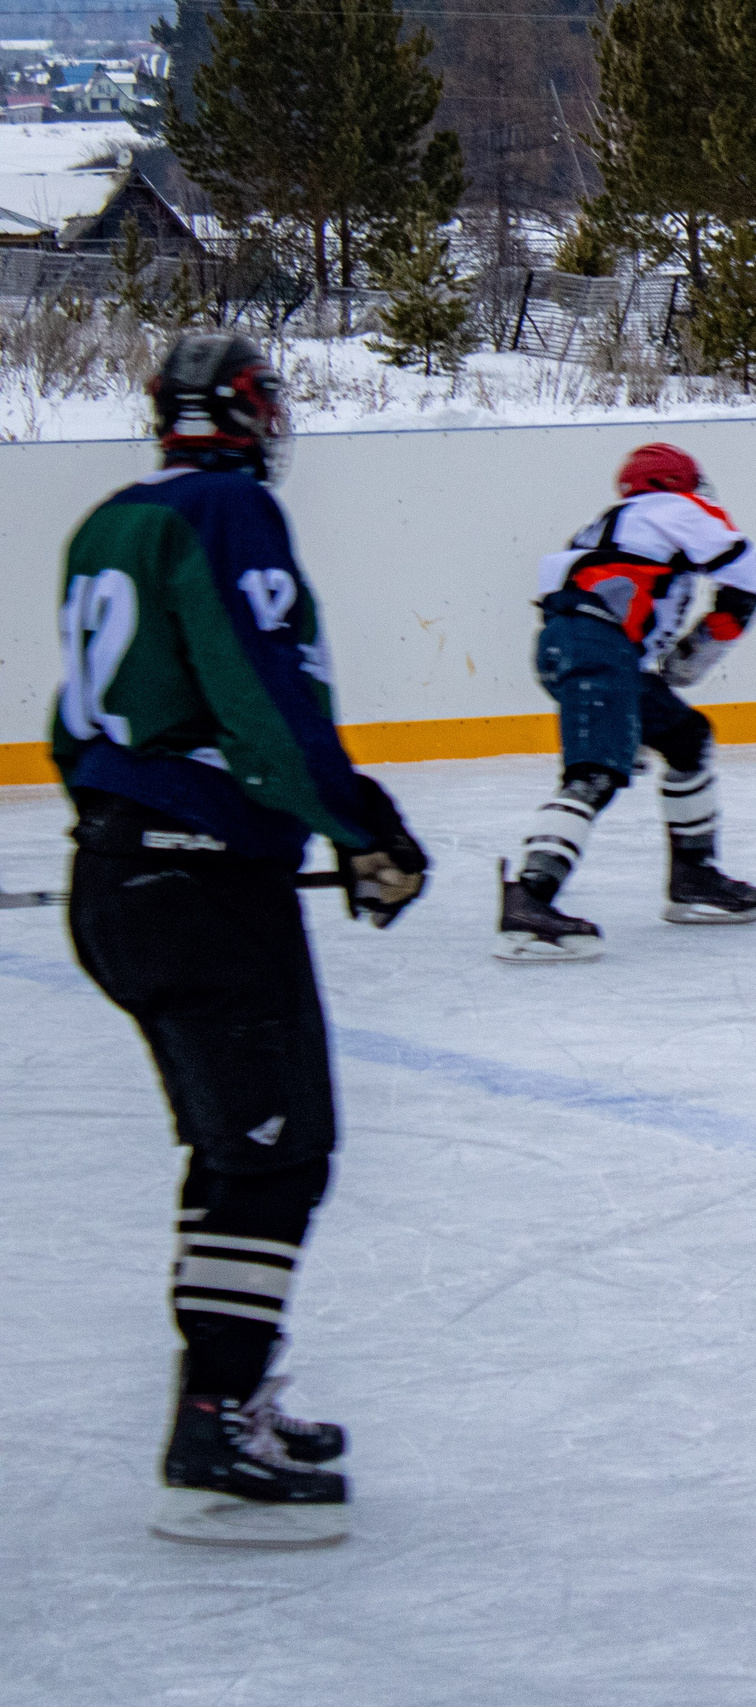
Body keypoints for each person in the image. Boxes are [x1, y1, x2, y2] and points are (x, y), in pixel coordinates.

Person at [53, 332, 430, 1547]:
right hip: (205, 884)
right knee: (275, 1155)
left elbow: (77, 726)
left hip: (126, 875)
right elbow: (262, 698)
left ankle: (225, 1397)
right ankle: (215, 1414)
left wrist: (129, 835)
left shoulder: (110, 519)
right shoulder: (230, 515)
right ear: (251, 412)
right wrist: (364, 825)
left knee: (240, 1151)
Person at [497, 442, 756, 961]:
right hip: (600, 650)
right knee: (594, 774)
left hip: (574, 648)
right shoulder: (678, 509)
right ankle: (529, 899)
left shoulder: (606, 525)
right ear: (675, 485)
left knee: (686, 737)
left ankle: (694, 877)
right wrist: (696, 656)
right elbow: (744, 580)